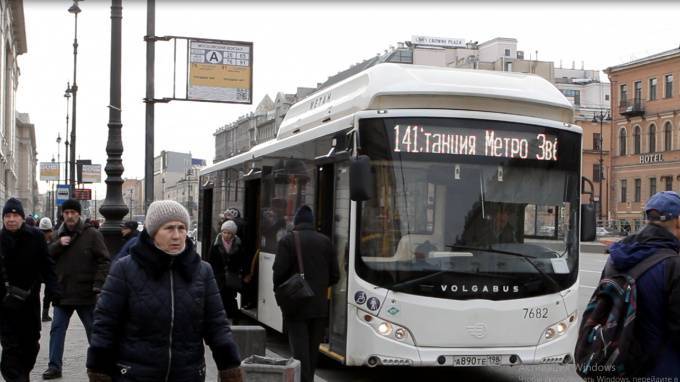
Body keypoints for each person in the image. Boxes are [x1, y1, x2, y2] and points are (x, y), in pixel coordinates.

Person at [86, 200, 243, 382]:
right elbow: (106, 324)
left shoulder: (202, 271)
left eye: (182, 228)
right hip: (135, 375)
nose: (177, 235)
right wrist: (99, 371)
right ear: (153, 232)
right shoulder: (125, 269)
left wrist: (230, 368)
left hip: (187, 375)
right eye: (169, 228)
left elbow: (217, 326)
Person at [605, 191, 680, 377]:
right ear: (678, 221)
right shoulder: (673, 265)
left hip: (618, 365)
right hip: (661, 370)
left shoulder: (615, 258)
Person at [42, 199, 110, 380]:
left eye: (73, 212)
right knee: (57, 330)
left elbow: (104, 260)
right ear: (62, 215)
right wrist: (58, 244)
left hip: (86, 294)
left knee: (93, 332)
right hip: (62, 294)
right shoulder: (57, 235)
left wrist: (98, 284)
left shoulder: (92, 234)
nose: (70, 216)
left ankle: (100, 367)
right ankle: (54, 367)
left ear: (79, 214)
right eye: (66, 213)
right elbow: (46, 258)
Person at [273, 205, 339, 382]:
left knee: (299, 350)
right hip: (318, 306)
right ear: (311, 222)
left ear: (296, 222)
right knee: (312, 349)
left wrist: (280, 294)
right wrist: (318, 287)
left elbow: (278, 273)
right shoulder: (326, 242)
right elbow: (335, 275)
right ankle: (308, 379)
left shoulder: (287, 241)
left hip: (295, 304)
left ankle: (304, 380)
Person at [0, 198, 60, 382]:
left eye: (15, 215)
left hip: (29, 303)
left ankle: (22, 373)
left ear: (22, 218)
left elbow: (47, 266)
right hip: (5, 306)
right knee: (11, 349)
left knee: (31, 346)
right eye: (7, 216)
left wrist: (54, 290)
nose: (11, 219)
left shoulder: (35, 237)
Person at [39, 217, 55, 322]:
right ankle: (44, 314)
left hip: (42, 271)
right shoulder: (53, 240)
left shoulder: (37, 238)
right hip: (47, 271)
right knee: (48, 293)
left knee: (47, 293)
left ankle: (44, 314)